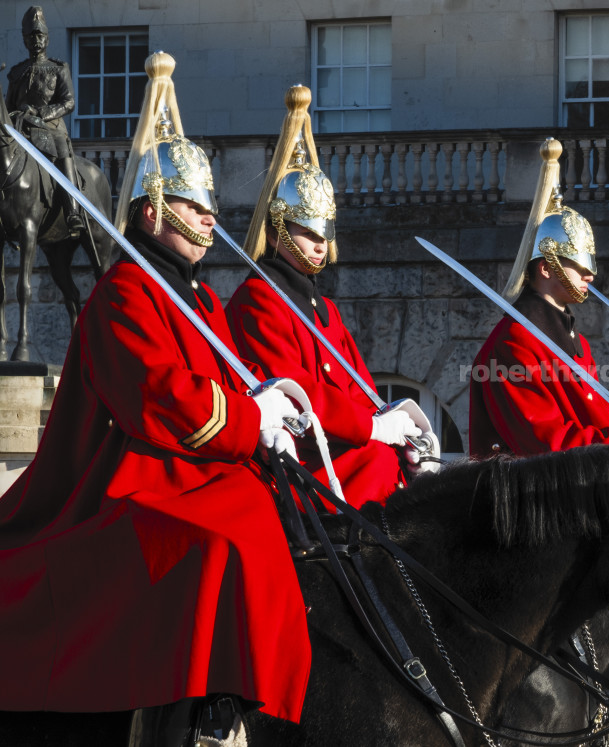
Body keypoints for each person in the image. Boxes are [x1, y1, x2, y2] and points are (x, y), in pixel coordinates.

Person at [0, 52, 311, 743]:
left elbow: (224, 385)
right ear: (150, 210)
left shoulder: (196, 297)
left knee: (282, 514)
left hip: (187, 473)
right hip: (127, 485)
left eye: (210, 206)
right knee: (212, 539)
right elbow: (159, 398)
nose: (209, 218)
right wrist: (248, 417)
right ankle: (191, 709)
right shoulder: (122, 294)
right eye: (194, 206)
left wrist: (270, 405)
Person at [226, 85, 436, 507]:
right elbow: (293, 392)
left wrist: (397, 425)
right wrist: (371, 430)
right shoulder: (259, 299)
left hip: (347, 449)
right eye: (307, 232)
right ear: (278, 230)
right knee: (381, 467)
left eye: (325, 232)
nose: (320, 244)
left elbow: (357, 386)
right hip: (305, 461)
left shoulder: (326, 308)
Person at [469, 138, 609, 457]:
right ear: (547, 269)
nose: (590, 276)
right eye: (578, 266)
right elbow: (545, 442)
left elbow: (598, 418)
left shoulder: (575, 341)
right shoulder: (514, 343)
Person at [6, 6, 82, 233]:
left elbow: (69, 103)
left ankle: (72, 211)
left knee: (62, 152)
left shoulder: (58, 69)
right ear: (24, 40)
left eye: (39, 35)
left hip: (50, 127)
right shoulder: (16, 72)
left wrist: (40, 112)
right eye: (31, 36)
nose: (35, 40)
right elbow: (8, 105)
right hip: (21, 128)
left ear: (47, 38)